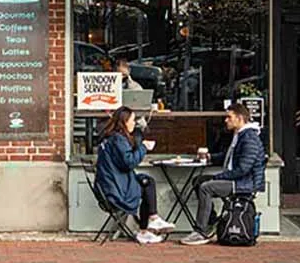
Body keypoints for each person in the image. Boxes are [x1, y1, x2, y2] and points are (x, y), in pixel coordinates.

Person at [181, 102, 266, 246]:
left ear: (239, 118)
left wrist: (218, 177)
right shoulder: (240, 135)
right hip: (237, 179)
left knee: (206, 187)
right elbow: (229, 156)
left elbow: (243, 169)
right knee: (198, 181)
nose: (226, 120)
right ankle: (211, 221)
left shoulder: (249, 138)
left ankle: (201, 232)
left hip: (244, 184)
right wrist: (210, 157)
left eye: (229, 117)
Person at [95, 106, 175, 244]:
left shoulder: (109, 137)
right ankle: (150, 222)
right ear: (124, 122)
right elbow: (129, 162)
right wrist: (144, 147)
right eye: (132, 120)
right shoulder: (118, 139)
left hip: (111, 185)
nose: (134, 123)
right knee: (146, 184)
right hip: (117, 191)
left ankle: (149, 224)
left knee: (146, 181)